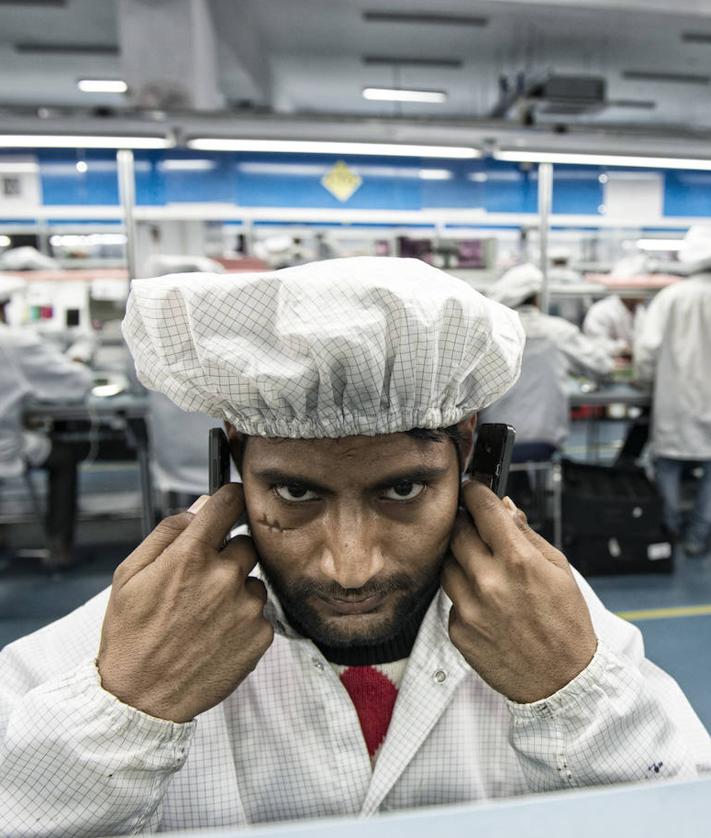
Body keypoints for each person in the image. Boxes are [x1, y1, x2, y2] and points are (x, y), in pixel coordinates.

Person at [0, 258, 709, 836]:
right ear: (232, 465)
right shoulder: (110, 652)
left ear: (469, 457)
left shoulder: (552, 623)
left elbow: (682, 801)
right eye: (295, 494)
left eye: (401, 491)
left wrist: (579, 705)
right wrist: (122, 716)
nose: (350, 567)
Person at [0, 276, 94, 568]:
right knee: (64, 458)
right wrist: (79, 356)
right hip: (5, 448)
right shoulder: (12, 342)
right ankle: (60, 547)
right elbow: (76, 384)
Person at [635, 227, 711, 556]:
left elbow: (647, 349)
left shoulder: (671, 296)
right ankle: (697, 536)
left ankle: (667, 530)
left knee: (667, 466)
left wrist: (646, 383)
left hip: (676, 399)